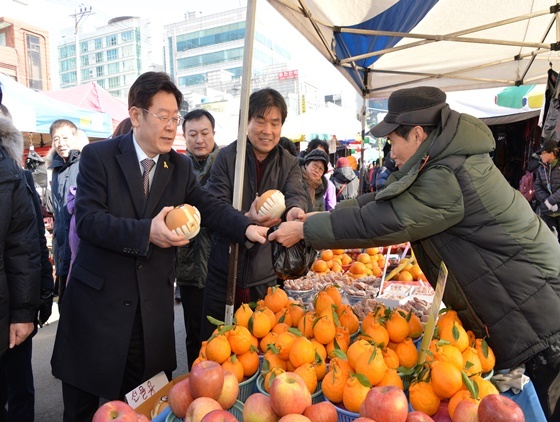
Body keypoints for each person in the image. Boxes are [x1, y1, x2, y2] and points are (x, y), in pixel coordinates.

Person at [269, 86, 560, 421]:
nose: (391, 153)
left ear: (419, 134)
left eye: (393, 141)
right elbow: (380, 202)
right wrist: (317, 218)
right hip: (524, 301)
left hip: (538, 314)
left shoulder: (450, 174)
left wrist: (308, 231)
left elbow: (386, 220)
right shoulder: (442, 161)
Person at [50, 71, 269, 422]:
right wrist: (145, 232)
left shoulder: (178, 166)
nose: (172, 126)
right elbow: (89, 222)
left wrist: (247, 226)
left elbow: (208, 206)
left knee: (146, 407)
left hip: (149, 316)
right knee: (83, 408)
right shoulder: (98, 157)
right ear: (136, 115)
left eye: (175, 118)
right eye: (163, 116)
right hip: (97, 312)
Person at [200, 87, 308, 342]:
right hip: (224, 271)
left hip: (266, 273)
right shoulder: (227, 157)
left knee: (264, 347)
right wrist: (245, 219)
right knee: (217, 346)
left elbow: (296, 194)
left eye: (275, 123)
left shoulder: (288, 162)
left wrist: (295, 210)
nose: (267, 130)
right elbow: (213, 207)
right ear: (246, 122)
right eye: (260, 121)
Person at [0, 95, 43, 420]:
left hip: (10, 308)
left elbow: (27, 247)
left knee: (18, 390)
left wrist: (28, 309)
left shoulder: (15, 175)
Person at [175, 108, 220, 370]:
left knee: (220, 333)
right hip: (188, 266)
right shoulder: (177, 168)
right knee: (193, 333)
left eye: (204, 133)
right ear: (184, 136)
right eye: (192, 134)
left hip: (218, 265)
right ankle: (196, 378)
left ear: (214, 134)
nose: (199, 139)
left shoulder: (227, 166)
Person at [46, 119, 82, 306]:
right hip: (62, 250)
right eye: (56, 139)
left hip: (81, 250)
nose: (61, 143)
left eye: (65, 137)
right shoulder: (55, 170)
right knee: (65, 306)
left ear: (75, 138)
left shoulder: (86, 163)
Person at [534, 139, 560, 238]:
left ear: (552, 153)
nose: (541, 156)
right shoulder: (541, 168)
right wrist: (546, 201)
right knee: (551, 241)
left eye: (543, 153)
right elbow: (537, 186)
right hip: (547, 212)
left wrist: (551, 200)